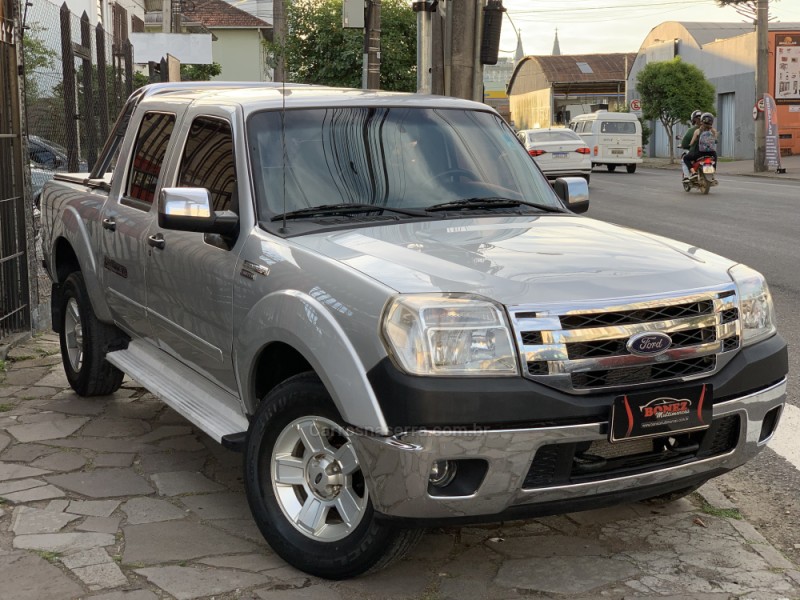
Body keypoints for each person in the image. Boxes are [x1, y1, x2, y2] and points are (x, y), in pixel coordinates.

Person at [683, 113, 718, 179]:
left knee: (685, 158)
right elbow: (715, 141)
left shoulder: (698, 131)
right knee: (715, 157)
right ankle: (713, 171)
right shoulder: (713, 131)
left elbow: (691, 143)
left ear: (702, 121)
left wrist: (690, 144)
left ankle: (693, 173)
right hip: (711, 153)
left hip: (700, 153)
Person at [679, 110, 702, 180]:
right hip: (709, 153)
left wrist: (685, 145)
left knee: (684, 159)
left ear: (693, 120)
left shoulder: (691, 131)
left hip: (696, 153)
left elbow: (684, 144)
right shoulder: (709, 130)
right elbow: (715, 141)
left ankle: (686, 176)